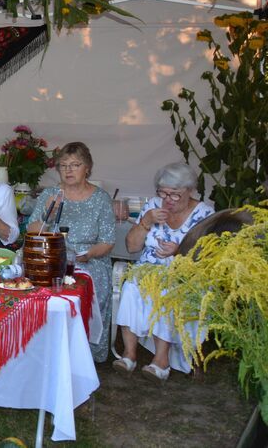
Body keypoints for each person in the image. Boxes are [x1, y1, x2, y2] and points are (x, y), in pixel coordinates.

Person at [113, 163, 214, 382]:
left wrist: (179, 252)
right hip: (148, 268)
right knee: (131, 284)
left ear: (189, 190)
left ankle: (161, 361)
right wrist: (146, 221)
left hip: (183, 274)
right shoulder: (153, 205)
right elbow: (131, 246)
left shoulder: (204, 214)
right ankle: (129, 356)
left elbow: (207, 259)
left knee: (167, 289)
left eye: (175, 195)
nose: (167, 200)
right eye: (163, 192)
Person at [26, 141, 115, 362]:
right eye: (63, 165)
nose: (68, 170)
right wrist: (48, 214)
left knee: (92, 283)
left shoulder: (101, 198)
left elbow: (108, 241)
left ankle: (82, 355)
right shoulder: (51, 194)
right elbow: (31, 230)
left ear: (87, 168)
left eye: (75, 165)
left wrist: (89, 254)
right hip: (52, 259)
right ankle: (45, 349)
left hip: (88, 260)